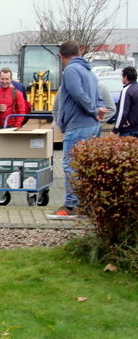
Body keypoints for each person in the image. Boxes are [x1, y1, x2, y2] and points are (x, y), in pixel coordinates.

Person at [50, 40, 105, 219]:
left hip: (78, 125)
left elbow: (77, 93)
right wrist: (98, 110)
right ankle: (86, 205)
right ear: (79, 52)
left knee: (70, 164)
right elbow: (97, 96)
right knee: (85, 166)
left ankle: (71, 205)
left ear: (61, 56)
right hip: (92, 125)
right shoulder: (89, 72)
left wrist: (92, 110)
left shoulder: (71, 70)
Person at [113, 66, 138, 137]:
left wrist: (115, 129)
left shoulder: (126, 90)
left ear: (125, 77)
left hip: (129, 130)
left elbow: (122, 112)